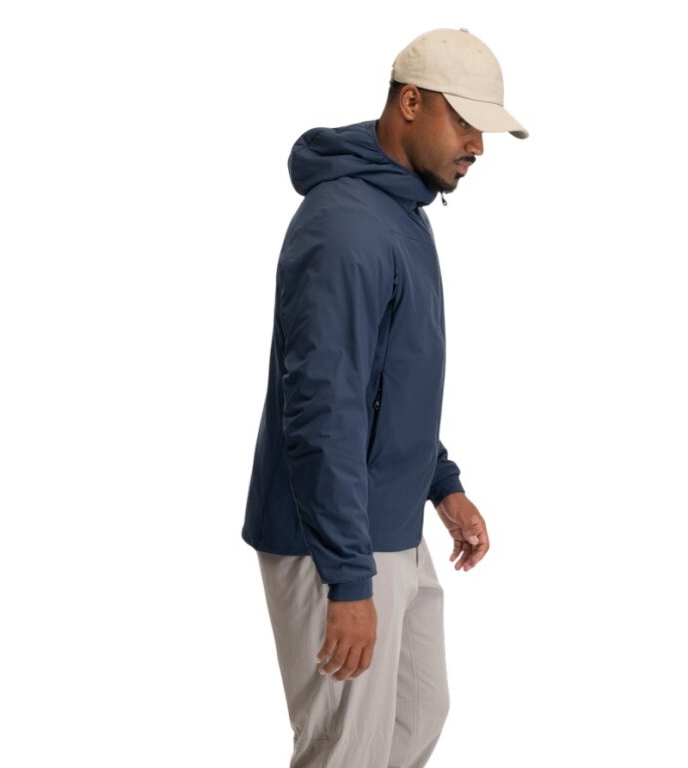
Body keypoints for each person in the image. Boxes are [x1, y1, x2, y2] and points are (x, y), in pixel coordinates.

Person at [242, 27, 528, 768]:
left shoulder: (400, 213)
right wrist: (346, 578)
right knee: (346, 751)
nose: (478, 147)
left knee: (417, 713)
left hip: (387, 521)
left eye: (484, 130)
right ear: (410, 103)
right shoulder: (345, 229)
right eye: (464, 122)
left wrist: (441, 484)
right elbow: (324, 412)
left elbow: (388, 383)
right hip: (333, 539)